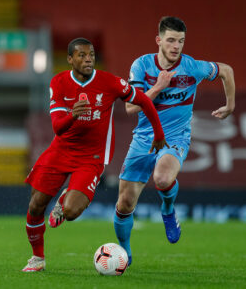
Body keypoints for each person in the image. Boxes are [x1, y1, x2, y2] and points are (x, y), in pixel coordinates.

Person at [22, 37, 168, 272]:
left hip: (90, 158)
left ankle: (65, 198)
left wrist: (158, 133)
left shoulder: (109, 82)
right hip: (59, 152)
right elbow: (57, 127)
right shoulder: (59, 82)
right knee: (36, 205)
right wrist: (73, 115)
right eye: (81, 55)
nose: (88, 58)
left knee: (70, 212)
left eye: (91, 54)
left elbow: (143, 101)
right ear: (70, 59)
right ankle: (37, 258)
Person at [114, 16, 236, 266]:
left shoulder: (191, 67)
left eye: (180, 41)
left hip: (175, 137)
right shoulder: (142, 66)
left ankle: (168, 210)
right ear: (158, 40)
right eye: (170, 40)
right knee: (125, 203)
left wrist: (230, 104)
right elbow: (129, 108)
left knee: (162, 178)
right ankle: (125, 252)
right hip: (143, 139)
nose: (176, 46)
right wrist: (158, 87)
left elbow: (226, 70)